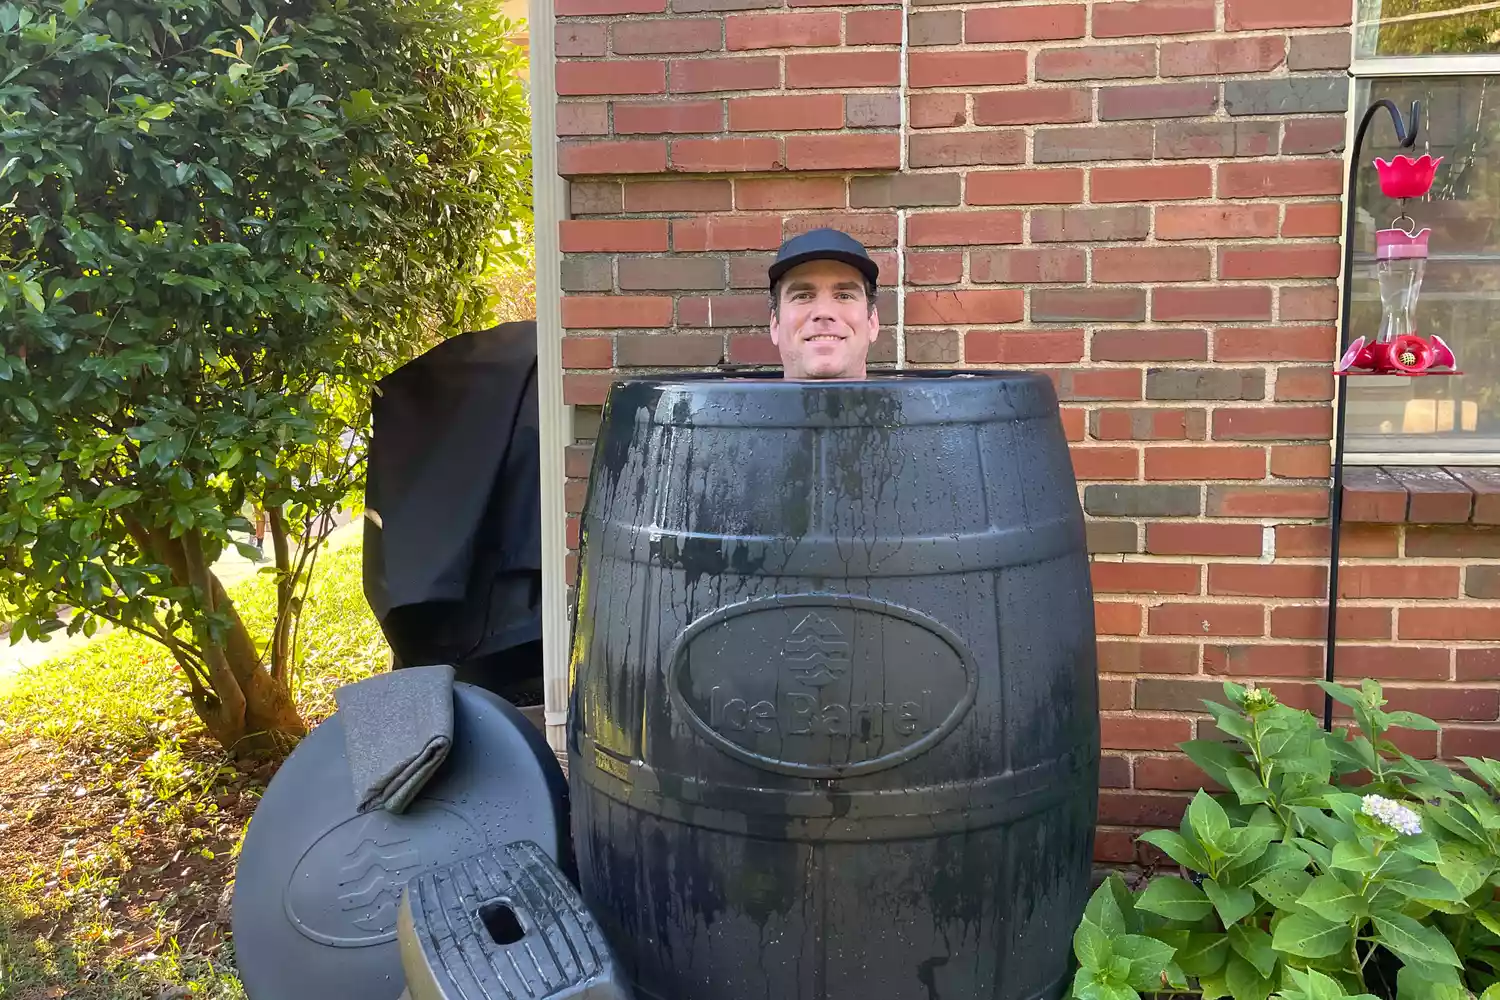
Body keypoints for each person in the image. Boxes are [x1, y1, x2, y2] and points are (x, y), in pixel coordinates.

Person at [767, 228, 881, 381]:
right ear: (775, 325)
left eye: (844, 296)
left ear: (872, 322)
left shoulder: (916, 403)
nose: (824, 312)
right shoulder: (739, 404)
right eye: (803, 296)